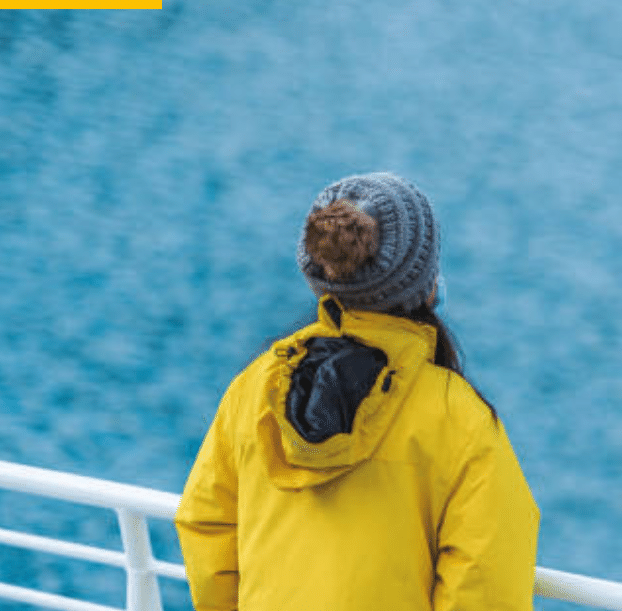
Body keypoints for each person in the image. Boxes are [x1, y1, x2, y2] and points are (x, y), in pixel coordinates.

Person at [175, 172, 540, 610]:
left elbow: (205, 522)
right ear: (428, 286)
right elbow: (484, 582)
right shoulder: (459, 417)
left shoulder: (256, 386)